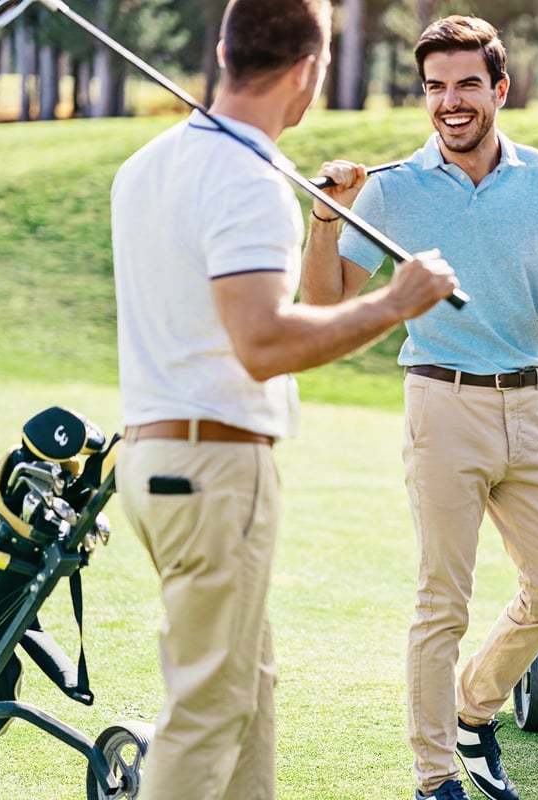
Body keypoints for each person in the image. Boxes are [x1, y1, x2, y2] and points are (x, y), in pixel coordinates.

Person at [109, 1, 459, 798]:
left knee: (249, 694)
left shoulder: (150, 164)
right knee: (207, 711)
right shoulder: (248, 176)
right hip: (214, 466)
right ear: (308, 69)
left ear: (227, 49)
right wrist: (395, 303)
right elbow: (263, 344)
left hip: (157, 459)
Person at [299, 14, 538, 800]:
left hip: (532, 404)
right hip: (440, 404)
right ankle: (434, 773)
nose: (451, 101)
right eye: (436, 87)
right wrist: (323, 215)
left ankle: (473, 708)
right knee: (441, 599)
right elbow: (324, 299)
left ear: (500, 89)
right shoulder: (390, 189)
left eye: (468, 84)